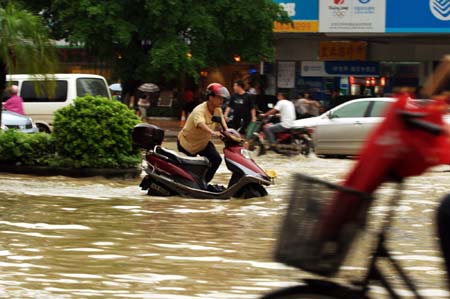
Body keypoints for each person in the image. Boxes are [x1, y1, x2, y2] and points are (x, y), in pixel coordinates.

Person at [177, 83, 230, 186]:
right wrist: (212, 132)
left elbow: (224, 127)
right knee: (189, 172)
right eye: (219, 98)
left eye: (223, 98)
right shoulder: (199, 110)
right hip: (187, 145)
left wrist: (234, 137)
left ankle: (203, 184)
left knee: (216, 159)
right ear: (210, 97)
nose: (222, 101)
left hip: (202, 144)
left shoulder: (218, 110)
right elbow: (201, 124)